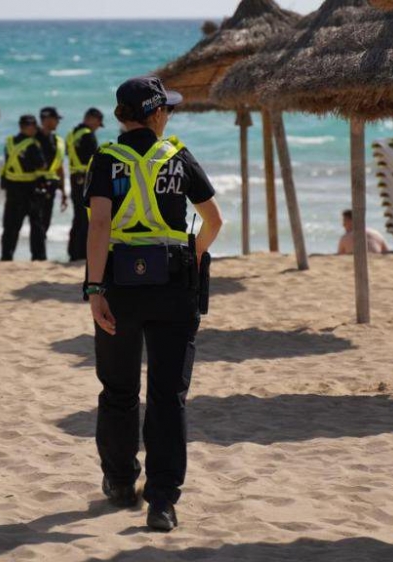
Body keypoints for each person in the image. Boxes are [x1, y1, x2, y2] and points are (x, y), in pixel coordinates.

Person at [84, 76, 223, 532]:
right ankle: (162, 502)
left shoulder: (105, 158)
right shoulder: (178, 157)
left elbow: (99, 225)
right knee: (168, 396)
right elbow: (213, 220)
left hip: (121, 285)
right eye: (168, 110)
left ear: (123, 115)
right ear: (156, 113)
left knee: (119, 390)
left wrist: (95, 289)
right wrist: (195, 254)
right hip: (173, 284)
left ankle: (121, 482)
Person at [0, 115, 48, 261]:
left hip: (12, 189)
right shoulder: (32, 145)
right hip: (29, 189)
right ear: (28, 127)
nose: (35, 129)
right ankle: (38, 257)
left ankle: (6, 256)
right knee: (36, 225)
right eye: (34, 126)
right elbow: (41, 165)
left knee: (10, 226)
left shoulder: (9, 142)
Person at [66, 107, 104, 261]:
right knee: (85, 218)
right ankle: (81, 253)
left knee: (77, 217)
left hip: (74, 177)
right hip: (86, 179)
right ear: (91, 118)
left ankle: (73, 252)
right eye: (98, 123)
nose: (97, 127)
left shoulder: (72, 134)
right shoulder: (88, 136)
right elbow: (95, 160)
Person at [35, 106, 69, 260]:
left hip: (51, 185)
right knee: (37, 222)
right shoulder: (33, 139)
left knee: (46, 221)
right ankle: (38, 256)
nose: (58, 122)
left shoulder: (57, 140)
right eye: (56, 119)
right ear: (46, 119)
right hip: (35, 185)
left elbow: (59, 166)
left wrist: (63, 191)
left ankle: (40, 256)